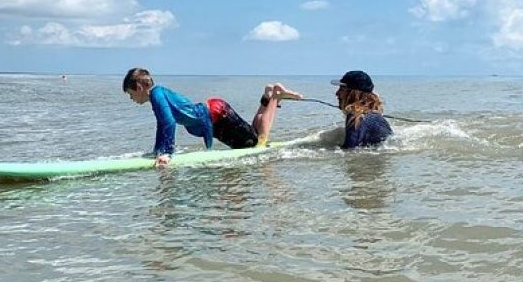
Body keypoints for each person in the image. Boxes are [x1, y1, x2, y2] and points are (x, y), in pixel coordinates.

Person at [123, 67, 302, 166]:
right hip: (215, 115)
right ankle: (268, 95)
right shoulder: (158, 94)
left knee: (257, 143)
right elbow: (162, 126)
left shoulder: (156, 95)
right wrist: (157, 151)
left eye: (131, 94)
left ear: (139, 88)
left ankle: (276, 96)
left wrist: (167, 154)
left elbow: (169, 123)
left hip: (216, 115)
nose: (132, 99)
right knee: (252, 136)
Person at [330, 70, 393, 149]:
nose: (337, 93)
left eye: (341, 90)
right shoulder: (377, 116)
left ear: (352, 94)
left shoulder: (355, 117)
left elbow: (349, 151)